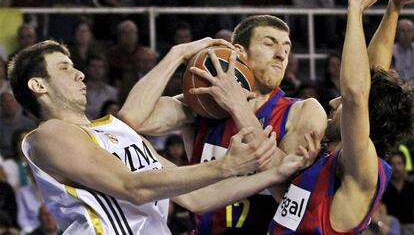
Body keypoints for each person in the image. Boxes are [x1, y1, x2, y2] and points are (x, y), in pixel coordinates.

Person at [8, 38, 314, 234]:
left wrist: (275, 172)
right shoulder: (48, 135)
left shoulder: (114, 131)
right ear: (39, 86)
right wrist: (226, 166)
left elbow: (196, 198)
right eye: (64, 68)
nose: (80, 74)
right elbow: (133, 187)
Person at [125, 19, 326, 233]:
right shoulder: (203, 105)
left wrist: (238, 106)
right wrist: (178, 53)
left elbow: (288, 187)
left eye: (287, 48)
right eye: (270, 44)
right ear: (239, 52)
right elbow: (133, 119)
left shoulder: (303, 111)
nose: (281, 54)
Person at [269, 0, 414, 233]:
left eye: (343, 105)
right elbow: (370, 78)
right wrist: (393, 9)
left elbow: (357, 94)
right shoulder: (331, 156)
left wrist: (356, 8)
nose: (334, 103)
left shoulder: (365, 166)